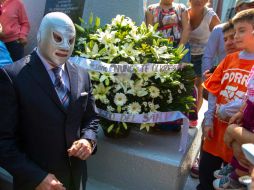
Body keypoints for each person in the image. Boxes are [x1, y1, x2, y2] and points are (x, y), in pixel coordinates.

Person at [0, 12, 99, 190]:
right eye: (58, 38)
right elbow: (3, 141)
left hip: (75, 179)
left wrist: (88, 140)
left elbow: (91, 118)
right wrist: (36, 177)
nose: (65, 46)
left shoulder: (82, 74)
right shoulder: (13, 77)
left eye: (71, 40)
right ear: (40, 35)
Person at [197, 8, 254, 190]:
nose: (235, 36)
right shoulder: (229, 59)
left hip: (239, 138)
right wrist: (208, 121)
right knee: (206, 176)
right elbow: (213, 90)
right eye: (234, 32)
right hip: (216, 132)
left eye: (241, 31)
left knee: (229, 181)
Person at [188, 0, 220, 113]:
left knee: (198, 87)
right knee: (185, 85)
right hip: (185, 54)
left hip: (203, 56)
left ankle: (193, 117)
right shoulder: (184, 13)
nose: (199, 0)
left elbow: (220, 35)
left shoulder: (210, 16)